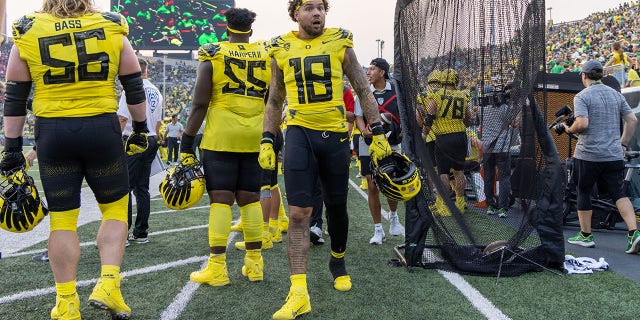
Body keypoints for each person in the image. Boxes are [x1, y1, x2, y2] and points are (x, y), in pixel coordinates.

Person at [1, 1, 149, 319]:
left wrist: (12, 148)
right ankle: (108, 284)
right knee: (114, 211)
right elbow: (134, 87)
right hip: (101, 129)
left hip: (54, 133)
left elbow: (14, 98)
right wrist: (140, 129)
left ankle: (67, 302)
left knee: (63, 220)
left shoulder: (28, 28)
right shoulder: (111, 24)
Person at [259, 1, 392, 318]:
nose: (317, 13)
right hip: (299, 134)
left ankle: (338, 260)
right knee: (298, 213)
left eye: (321, 7)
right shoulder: (281, 47)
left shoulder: (340, 41)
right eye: (309, 7)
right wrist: (267, 137)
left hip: (334, 136)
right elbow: (275, 98)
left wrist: (377, 132)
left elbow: (362, 88)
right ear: (296, 13)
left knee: (336, 206)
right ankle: (298, 290)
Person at [180, 7, 270, 287]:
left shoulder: (213, 53)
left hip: (222, 135)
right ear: (251, 31)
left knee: (220, 199)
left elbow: (199, 104)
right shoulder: (266, 54)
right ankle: (255, 265)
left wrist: (186, 143)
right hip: (255, 135)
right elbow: (271, 99)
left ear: (226, 28)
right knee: (250, 198)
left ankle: (217, 268)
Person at [563, 60, 640, 253]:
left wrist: (568, 128)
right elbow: (632, 120)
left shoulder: (582, 96)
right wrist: (622, 143)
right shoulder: (615, 94)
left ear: (584, 75)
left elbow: (582, 124)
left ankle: (586, 236)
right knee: (619, 193)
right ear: (601, 76)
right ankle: (634, 234)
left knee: (584, 192)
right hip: (613, 154)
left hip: (588, 155)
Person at [355, 58, 404, 245]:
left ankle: (393, 216)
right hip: (368, 143)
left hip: (391, 143)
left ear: (382, 72)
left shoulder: (397, 91)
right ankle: (377, 229)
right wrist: (363, 129)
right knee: (372, 184)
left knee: (391, 183)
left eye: (373, 69)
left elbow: (403, 116)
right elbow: (359, 117)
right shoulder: (363, 93)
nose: (369, 72)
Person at [117, 58, 163, 244]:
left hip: (133, 139)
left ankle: (123, 232)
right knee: (142, 188)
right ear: (147, 70)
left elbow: (122, 118)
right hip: (151, 138)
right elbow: (159, 122)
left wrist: (113, 141)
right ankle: (141, 231)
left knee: (124, 188)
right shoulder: (156, 90)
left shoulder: (131, 88)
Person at [309, 84, 355, 245]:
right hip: (313, 139)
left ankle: (332, 223)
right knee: (315, 185)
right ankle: (315, 225)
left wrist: (330, 111)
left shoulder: (343, 90)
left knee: (335, 189)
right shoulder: (311, 85)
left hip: (336, 140)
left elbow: (352, 116)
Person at [422, 69, 470, 215]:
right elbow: (468, 119)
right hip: (461, 136)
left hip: (443, 137)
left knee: (442, 173)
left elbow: (429, 117)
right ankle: (460, 204)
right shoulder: (463, 95)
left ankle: (444, 205)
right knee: (459, 172)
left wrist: (423, 135)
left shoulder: (436, 94)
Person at [480, 85, 518, 218]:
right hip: (502, 147)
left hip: (487, 148)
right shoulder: (503, 108)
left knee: (489, 176)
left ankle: (490, 205)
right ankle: (503, 208)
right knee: (504, 178)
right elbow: (514, 123)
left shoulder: (481, 109)